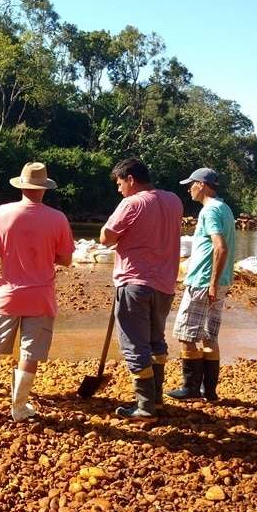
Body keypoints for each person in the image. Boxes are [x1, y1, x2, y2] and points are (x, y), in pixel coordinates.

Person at [0, 162, 75, 422]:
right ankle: (19, 408)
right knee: (29, 353)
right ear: (44, 189)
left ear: (21, 186)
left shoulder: (2, 213)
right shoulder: (57, 218)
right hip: (41, 297)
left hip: (7, 293)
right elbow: (66, 259)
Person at [99, 158, 183, 421]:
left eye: (120, 183)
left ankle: (145, 406)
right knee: (156, 342)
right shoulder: (174, 201)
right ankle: (155, 400)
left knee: (135, 345)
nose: (119, 189)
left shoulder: (132, 202)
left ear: (131, 179)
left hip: (135, 283)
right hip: (165, 284)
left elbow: (106, 237)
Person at [168, 168, 236, 402]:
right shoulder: (225, 208)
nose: (189, 189)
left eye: (191, 184)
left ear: (202, 185)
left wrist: (212, 283)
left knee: (186, 334)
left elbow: (220, 247)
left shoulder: (209, 211)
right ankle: (210, 391)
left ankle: (190, 388)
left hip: (204, 282)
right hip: (219, 281)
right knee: (209, 336)